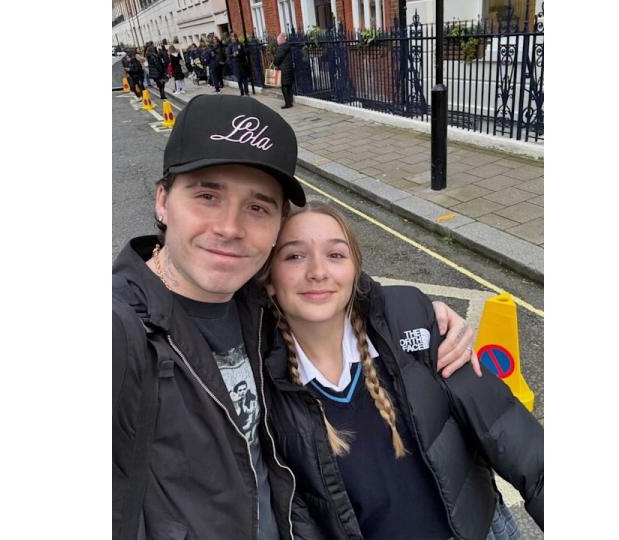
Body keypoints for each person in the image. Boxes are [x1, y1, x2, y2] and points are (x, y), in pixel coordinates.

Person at [112, 94, 480, 540]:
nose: (230, 227)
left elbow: (326, 281)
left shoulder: (256, 301)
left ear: (276, 228)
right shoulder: (122, 329)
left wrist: (418, 312)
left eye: (257, 207)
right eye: (207, 195)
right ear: (163, 201)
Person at [260, 201, 545, 539]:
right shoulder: (258, 375)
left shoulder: (410, 316)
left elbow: (508, 430)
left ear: (355, 271)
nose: (318, 271)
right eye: (294, 256)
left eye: (336, 255)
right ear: (269, 278)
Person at [272, 33, 295, 109]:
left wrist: (275, 63)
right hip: (288, 68)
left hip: (283, 69)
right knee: (289, 86)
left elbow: (278, 58)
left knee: (284, 86)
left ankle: (288, 103)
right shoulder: (287, 46)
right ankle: (290, 101)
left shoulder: (281, 48)